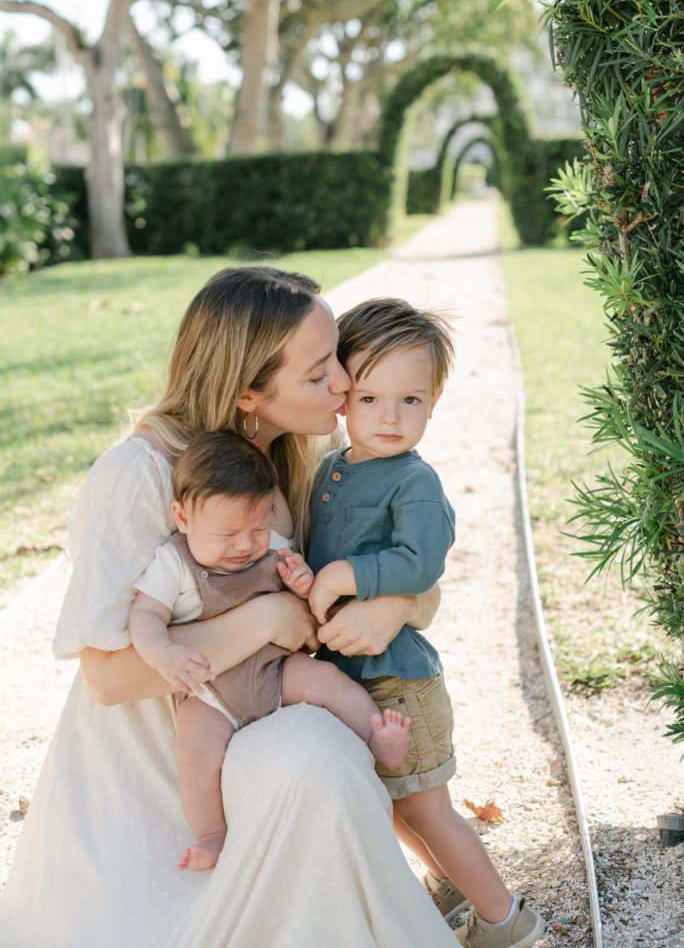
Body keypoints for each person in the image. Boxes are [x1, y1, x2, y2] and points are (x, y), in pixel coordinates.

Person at [0, 266, 456, 948]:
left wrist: (398, 609)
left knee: (321, 758)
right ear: (249, 392)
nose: (342, 382)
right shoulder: (142, 475)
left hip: (263, 712)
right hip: (162, 754)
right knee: (313, 760)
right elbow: (108, 678)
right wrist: (266, 622)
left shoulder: (316, 458)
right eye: (317, 372)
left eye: (335, 355)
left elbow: (406, 567)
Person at [307, 298, 545, 948]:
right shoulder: (331, 468)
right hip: (353, 680)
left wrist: (341, 579)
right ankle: (451, 890)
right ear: (341, 398)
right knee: (392, 808)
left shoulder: (413, 482)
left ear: (434, 401)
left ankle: (505, 920)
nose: (390, 417)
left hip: (399, 682)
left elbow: (419, 561)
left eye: (410, 400)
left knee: (429, 809)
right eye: (371, 398)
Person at [130, 429, 410, 873]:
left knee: (329, 683)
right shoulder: (173, 563)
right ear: (182, 518)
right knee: (195, 753)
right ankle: (212, 833)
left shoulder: (272, 549)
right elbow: (143, 616)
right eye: (226, 532)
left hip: (276, 670)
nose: (244, 545)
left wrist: (301, 583)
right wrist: (163, 653)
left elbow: (305, 609)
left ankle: (379, 738)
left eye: (258, 528)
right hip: (212, 690)